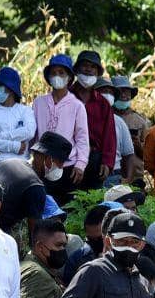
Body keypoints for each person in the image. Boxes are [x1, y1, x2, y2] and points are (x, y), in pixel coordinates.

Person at [0, 131, 66, 237]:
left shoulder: (5, 162)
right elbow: (35, 235)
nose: (61, 167)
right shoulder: (35, 187)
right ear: (48, 159)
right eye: (60, 162)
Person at [32, 54, 89, 201]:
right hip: (42, 165)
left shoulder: (77, 106)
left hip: (67, 165)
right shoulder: (38, 103)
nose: (57, 76)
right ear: (48, 77)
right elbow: (33, 134)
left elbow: (82, 138)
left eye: (61, 73)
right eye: (53, 73)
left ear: (69, 77)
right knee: (44, 204)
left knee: (66, 206)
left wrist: (81, 164)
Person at [70, 50, 116, 190]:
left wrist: (107, 162)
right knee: (68, 197)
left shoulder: (103, 103)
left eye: (93, 67)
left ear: (97, 72)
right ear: (77, 69)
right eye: (85, 65)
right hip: (69, 157)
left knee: (92, 198)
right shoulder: (66, 97)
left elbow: (109, 135)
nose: (88, 69)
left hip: (94, 159)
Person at [0, 67, 35, 160]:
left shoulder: (25, 110)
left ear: (11, 89)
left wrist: (0, 136)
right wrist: (14, 146)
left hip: (23, 163)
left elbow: (29, 132)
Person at [110, 76, 150, 183]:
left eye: (127, 92)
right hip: (111, 174)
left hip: (135, 176)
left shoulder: (140, 121)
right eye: (120, 92)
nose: (123, 95)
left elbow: (148, 155)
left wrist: (138, 145)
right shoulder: (105, 117)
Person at [96, 78, 136, 185]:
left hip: (113, 174)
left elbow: (129, 154)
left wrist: (128, 179)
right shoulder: (83, 117)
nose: (108, 95)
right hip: (89, 173)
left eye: (111, 92)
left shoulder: (119, 122)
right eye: (104, 91)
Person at [61, 203, 109, 284]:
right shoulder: (77, 260)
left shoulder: (128, 256)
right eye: (90, 239)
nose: (95, 243)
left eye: (100, 238)